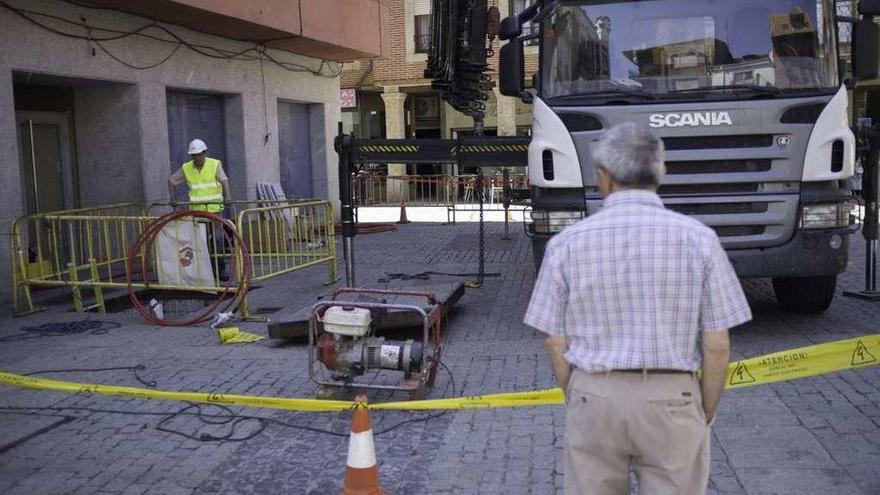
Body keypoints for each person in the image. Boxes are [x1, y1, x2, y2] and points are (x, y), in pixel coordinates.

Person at [524, 122, 751, 495]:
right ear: (661, 171)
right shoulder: (700, 240)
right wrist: (703, 411)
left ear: (603, 177)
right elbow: (717, 346)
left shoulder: (566, 244)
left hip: (595, 396)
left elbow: (554, 341)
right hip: (673, 400)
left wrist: (581, 393)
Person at [168, 138, 233, 280]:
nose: (197, 158)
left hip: (214, 210)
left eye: (199, 154)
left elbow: (224, 180)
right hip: (196, 212)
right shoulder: (186, 167)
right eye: (194, 155)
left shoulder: (214, 164)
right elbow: (172, 180)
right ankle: (204, 271)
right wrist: (173, 199)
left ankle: (220, 270)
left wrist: (228, 197)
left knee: (217, 240)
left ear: (205, 153)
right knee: (200, 241)